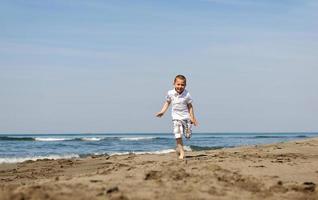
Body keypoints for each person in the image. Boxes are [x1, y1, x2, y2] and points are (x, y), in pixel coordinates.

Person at [156, 75, 198, 159]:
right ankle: (182, 152)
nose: (180, 86)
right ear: (174, 84)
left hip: (186, 117)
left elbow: (190, 106)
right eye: (178, 84)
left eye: (182, 85)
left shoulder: (187, 94)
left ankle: (178, 147)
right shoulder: (170, 93)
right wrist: (162, 111)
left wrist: (193, 118)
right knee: (177, 134)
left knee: (187, 136)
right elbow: (167, 102)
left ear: (185, 85)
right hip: (176, 117)